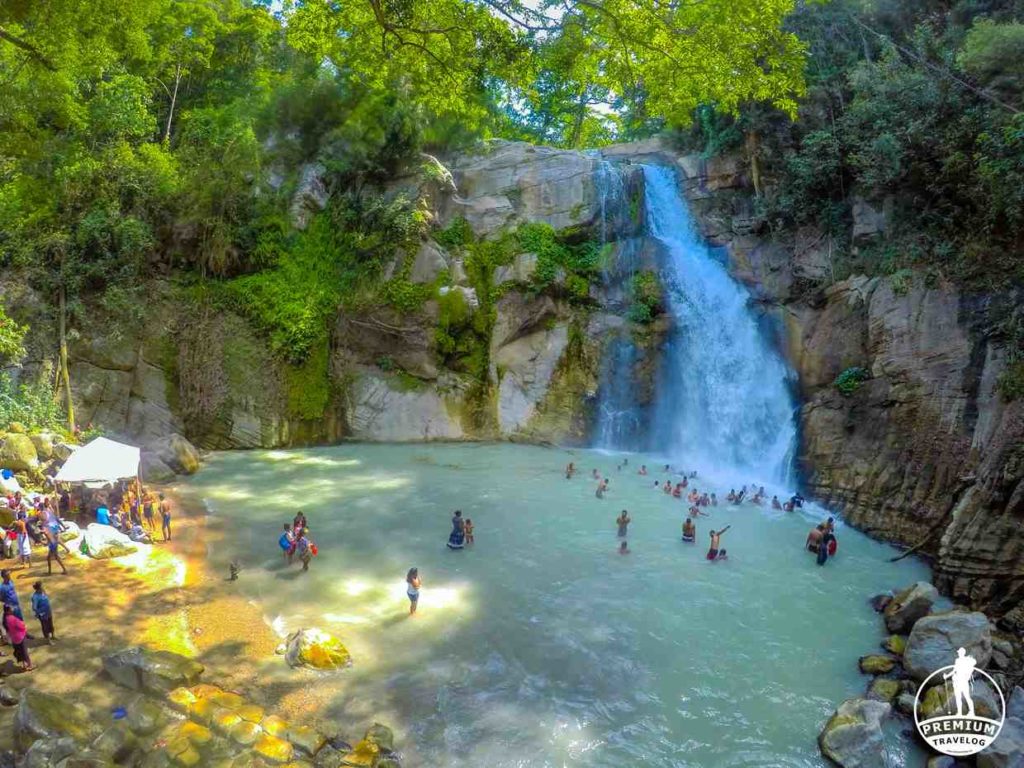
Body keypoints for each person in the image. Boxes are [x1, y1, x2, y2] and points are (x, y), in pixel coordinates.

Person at [3, 605, 32, 671]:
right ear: (8, 611)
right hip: (20, 637)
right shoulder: (13, 619)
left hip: (14, 639)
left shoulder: (5, 619)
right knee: (25, 652)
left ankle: (24, 665)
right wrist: (24, 625)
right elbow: (22, 626)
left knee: (20, 652)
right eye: (11, 608)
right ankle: (30, 665)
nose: (12, 609)